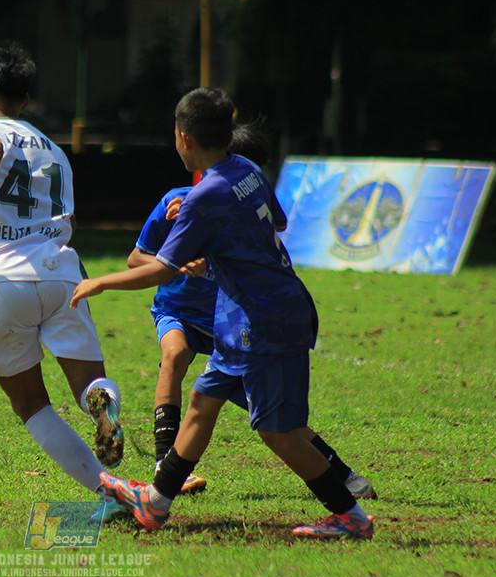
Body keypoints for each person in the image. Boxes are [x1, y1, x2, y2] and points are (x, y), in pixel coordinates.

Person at [71, 88, 375, 540]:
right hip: (245, 316)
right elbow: (276, 223)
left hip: (262, 320)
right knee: (201, 403)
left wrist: (100, 281)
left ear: (183, 138)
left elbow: (160, 269)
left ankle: (349, 516)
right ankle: (155, 503)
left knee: (278, 432)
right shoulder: (246, 170)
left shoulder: (201, 196)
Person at [130, 123, 376, 501]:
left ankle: (342, 477)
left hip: (231, 323)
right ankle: (165, 468)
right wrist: (176, 255)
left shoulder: (230, 209)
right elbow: (137, 258)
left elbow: (264, 232)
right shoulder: (177, 202)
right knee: (175, 355)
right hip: (178, 310)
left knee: (275, 419)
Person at [0, 43, 125, 506]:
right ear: (25, 101)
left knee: (31, 404)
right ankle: (104, 405)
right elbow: (67, 219)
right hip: (62, 275)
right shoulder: (55, 151)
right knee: (88, 385)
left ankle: (108, 494)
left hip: (1, 277)